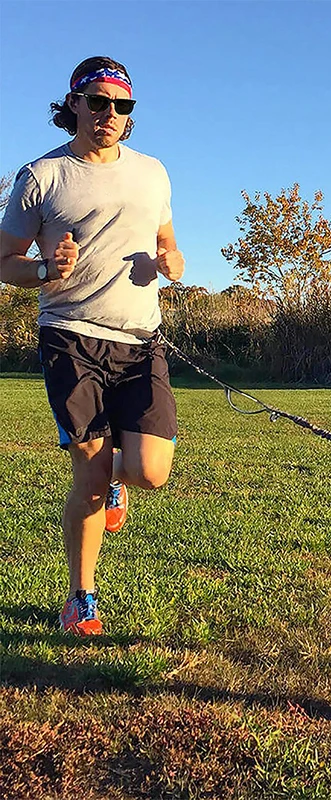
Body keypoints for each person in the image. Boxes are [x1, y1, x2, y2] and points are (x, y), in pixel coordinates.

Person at [0, 56, 185, 636]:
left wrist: (171, 260)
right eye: (99, 102)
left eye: (122, 105)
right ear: (74, 103)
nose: (110, 114)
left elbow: (166, 238)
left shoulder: (152, 172)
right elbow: (5, 261)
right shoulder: (42, 176)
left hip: (141, 339)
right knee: (90, 470)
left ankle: (115, 487)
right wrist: (43, 270)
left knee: (150, 472)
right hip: (70, 338)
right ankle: (81, 599)